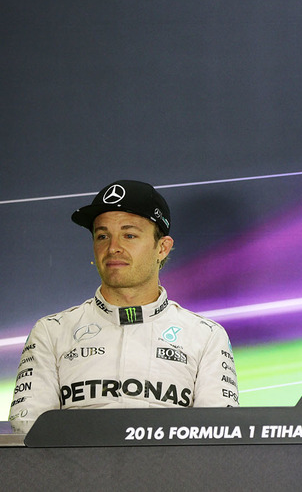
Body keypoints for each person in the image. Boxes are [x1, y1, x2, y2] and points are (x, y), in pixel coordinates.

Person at [9, 180, 238, 434]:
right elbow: (27, 436)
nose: (113, 247)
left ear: (162, 248)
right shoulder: (50, 333)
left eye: (129, 235)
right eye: (102, 236)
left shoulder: (206, 337)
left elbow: (218, 438)